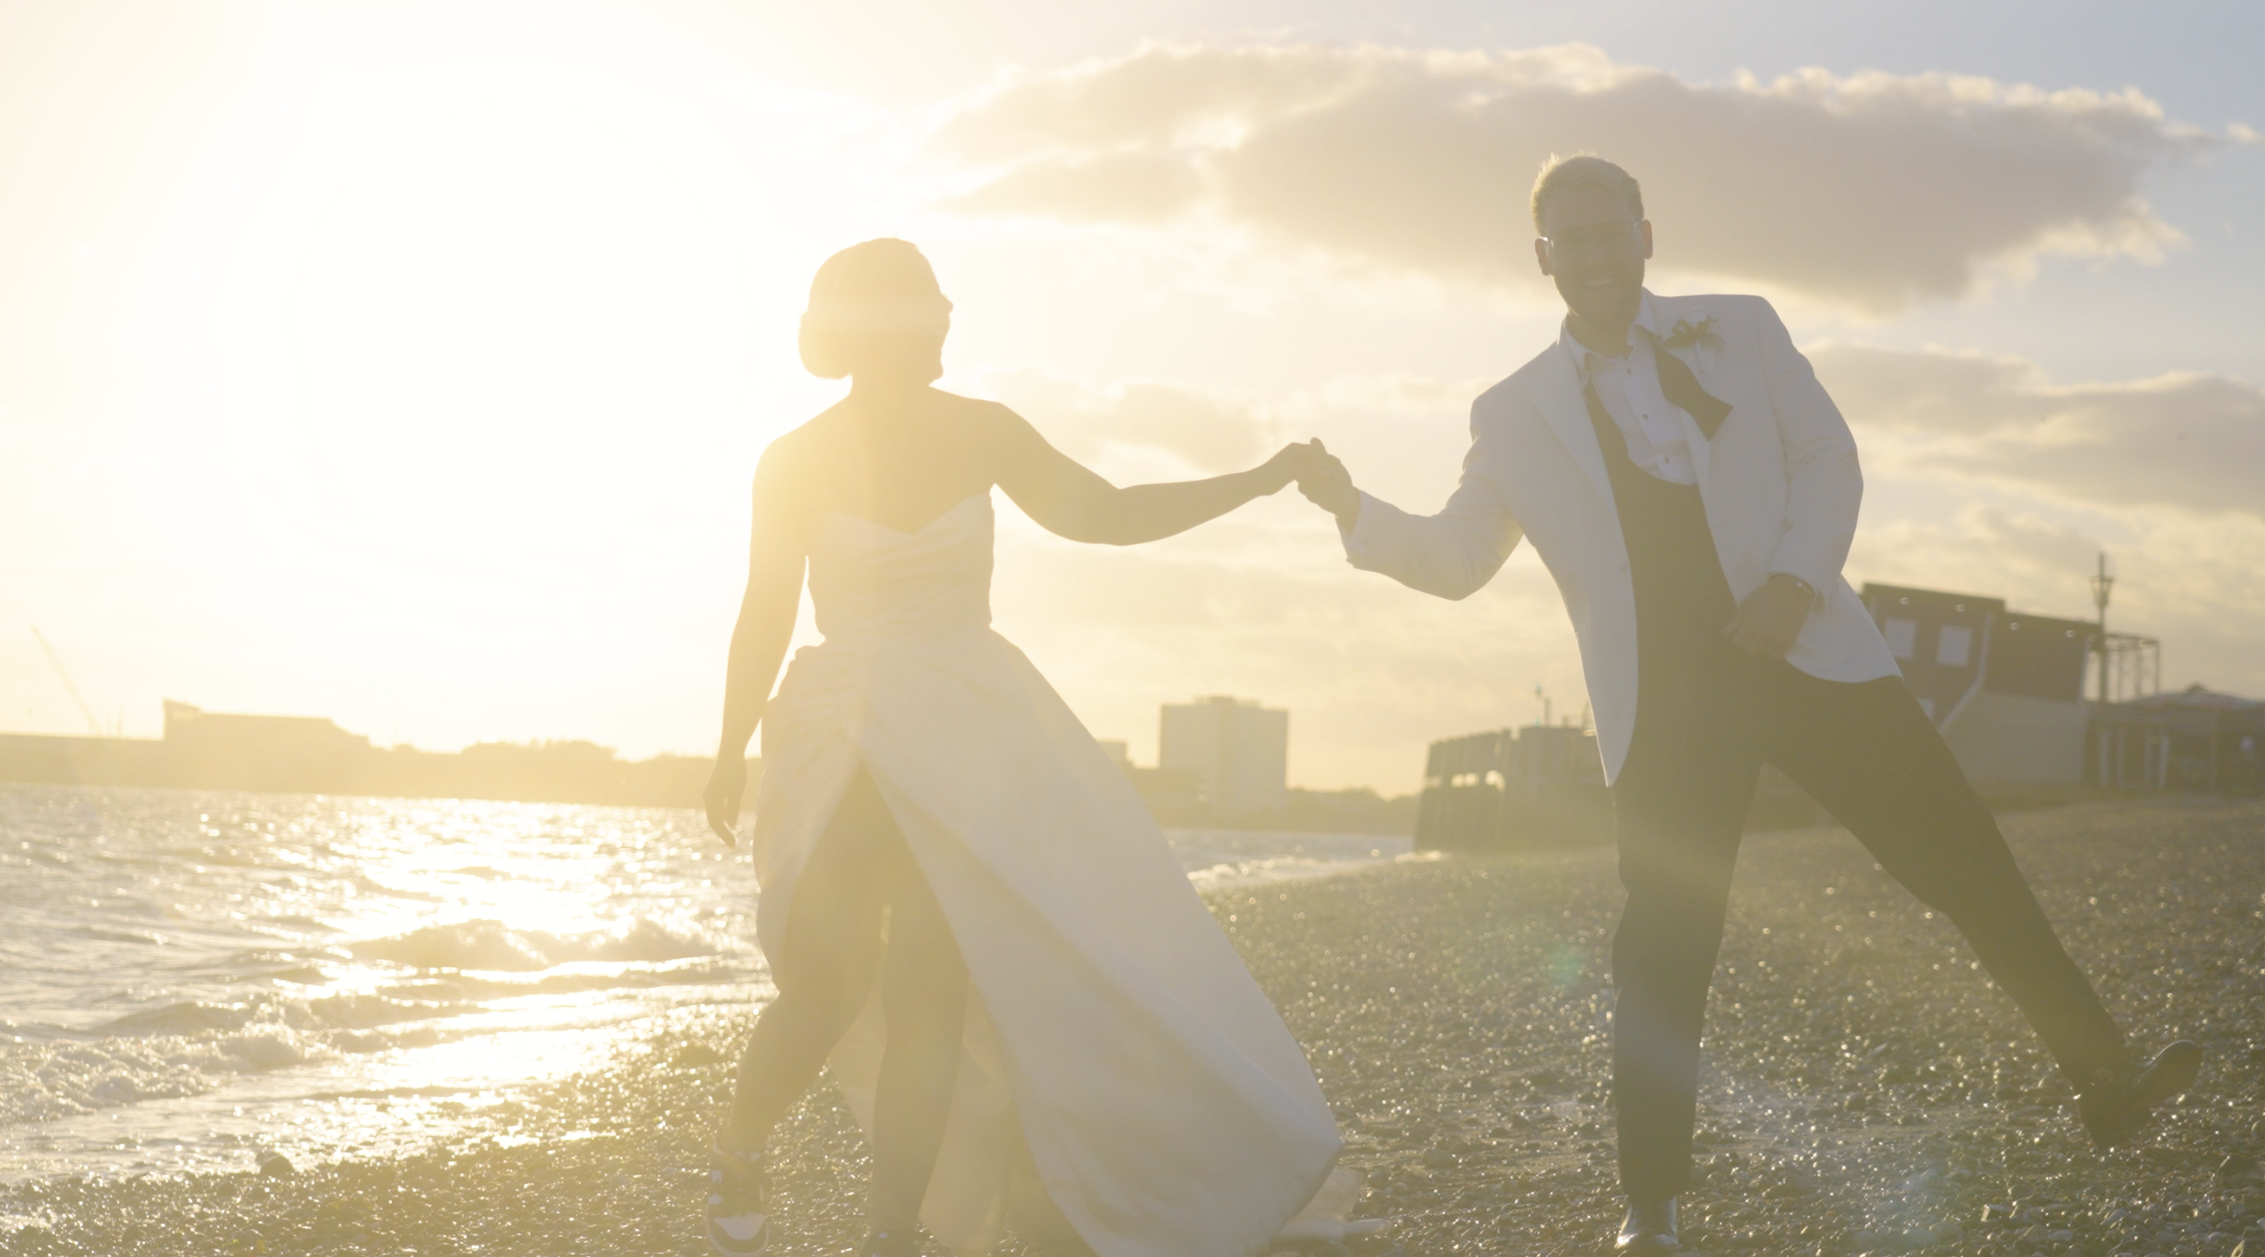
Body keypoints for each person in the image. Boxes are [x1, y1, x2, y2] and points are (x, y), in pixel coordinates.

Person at [1293, 155, 2199, 1255]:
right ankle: (1650, 1207)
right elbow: (1454, 557)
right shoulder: (1513, 412)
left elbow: (1827, 458)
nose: (1591, 254)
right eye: (1567, 240)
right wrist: (1352, 508)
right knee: (1666, 949)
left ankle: (2105, 1077)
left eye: (1607, 231)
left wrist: (1791, 582)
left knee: (1966, 860)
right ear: (1542, 260)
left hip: (1809, 649)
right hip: (1667, 700)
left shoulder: (1744, 327)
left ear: (1645, 235)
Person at [700, 238, 1341, 1257]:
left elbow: (1108, 516)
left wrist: (1256, 481)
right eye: (919, 312)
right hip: (843, 738)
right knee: (819, 985)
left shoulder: (984, 432)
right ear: (871, 329)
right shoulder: (793, 457)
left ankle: (890, 1232)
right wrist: (729, 744)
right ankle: (739, 1150)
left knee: (929, 993)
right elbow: (764, 607)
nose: (939, 325)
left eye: (937, 310)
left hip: (967, 736)